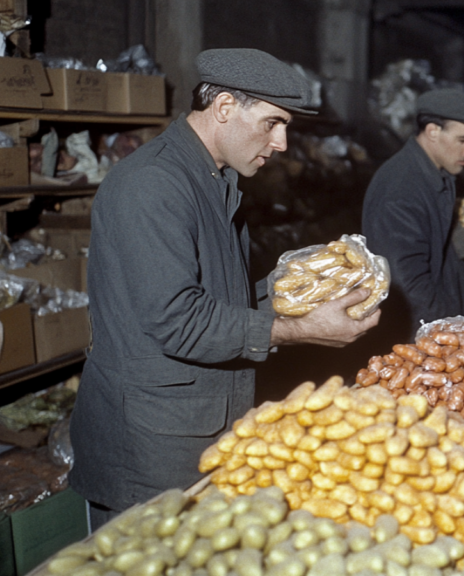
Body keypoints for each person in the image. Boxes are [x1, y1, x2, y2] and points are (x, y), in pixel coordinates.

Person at [69, 48, 380, 528]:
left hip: (200, 435)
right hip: (151, 454)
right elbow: (179, 320)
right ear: (226, 108)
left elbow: (215, 302)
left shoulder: (213, 181)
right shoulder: (153, 185)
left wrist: (298, 290)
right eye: (272, 123)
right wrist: (296, 330)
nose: (281, 143)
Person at [362, 88, 464, 340]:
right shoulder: (402, 188)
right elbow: (409, 286)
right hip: (418, 335)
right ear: (433, 131)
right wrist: (450, 335)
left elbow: (436, 246)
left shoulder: (435, 174)